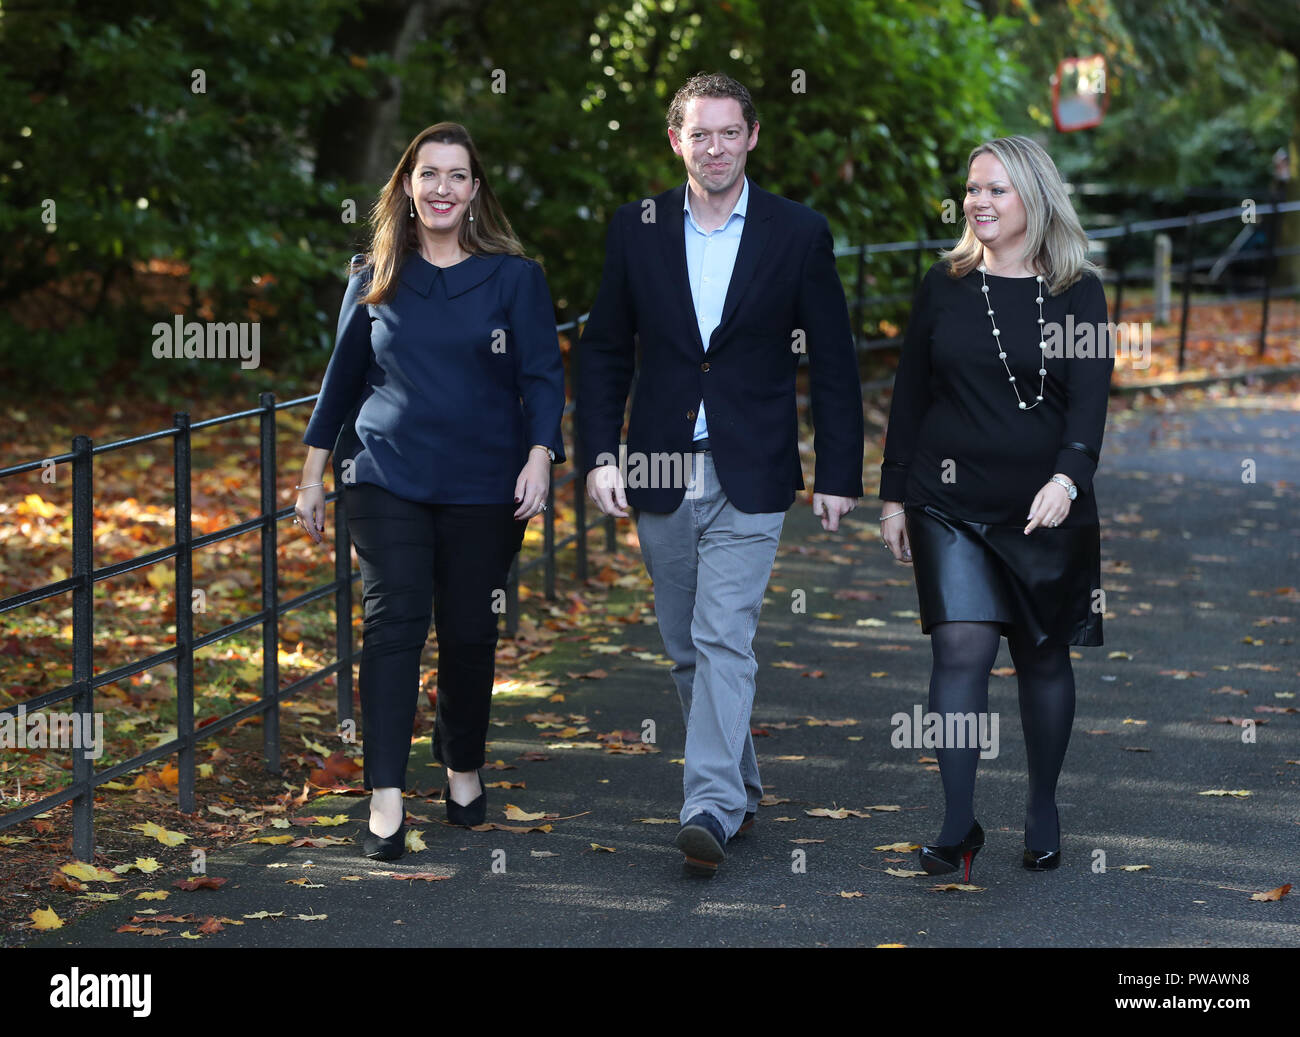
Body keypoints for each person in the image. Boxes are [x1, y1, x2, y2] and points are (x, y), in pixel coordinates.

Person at [577, 72, 865, 876]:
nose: (715, 147)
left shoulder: (796, 232)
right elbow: (603, 350)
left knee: (721, 634)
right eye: (699, 134)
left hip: (753, 465)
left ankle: (705, 802)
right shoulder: (634, 228)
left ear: (753, 136)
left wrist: (838, 472)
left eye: (729, 132)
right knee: (683, 647)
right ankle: (737, 780)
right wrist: (602, 454)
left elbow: (834, 363)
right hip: (661, 465)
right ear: (676, 141)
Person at [294, 122, 566, 861]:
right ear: (408, 187)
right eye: (429, 174)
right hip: (386, 474)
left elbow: (542, 374)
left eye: (457, 175)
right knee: (393, 624)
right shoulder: (375, 273)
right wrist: (314, 474)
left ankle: (462, 766)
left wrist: (542, 456)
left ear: (475, 191)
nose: (442, 187)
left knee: (471, 632)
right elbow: (341, 381)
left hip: (486, 480)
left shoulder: (516, 278)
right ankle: (385, 796)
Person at [879, 135, 1113, 880]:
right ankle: (957, 822)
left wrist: (1067, 479)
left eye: (995, 190)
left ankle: (1042, 806)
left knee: (1042, 656)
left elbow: (1090, 404)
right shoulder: (943, 284)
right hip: (946, 504)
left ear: (1033, 198)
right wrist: (893, 496)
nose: (978, 202)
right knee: (961, 650)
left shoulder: (1079, 290)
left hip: (1046, 507)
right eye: (973, 188)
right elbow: (909, 397)